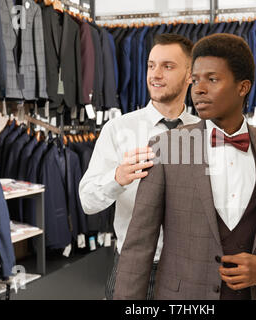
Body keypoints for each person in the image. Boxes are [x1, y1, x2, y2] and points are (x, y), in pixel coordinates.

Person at [113, 33, 256, 300]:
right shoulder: (166, 147)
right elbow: (140, 243)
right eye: (195, 80)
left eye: (212, 79)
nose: (198, 89)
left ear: (243, 87)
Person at [79, 33, 200, 300]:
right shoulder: (118, 129)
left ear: (190, 75)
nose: (155, 74)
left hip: (191, 270)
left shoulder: (205, 134)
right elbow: (87, 201)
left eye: (167, 66)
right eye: (151, 65)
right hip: (133, 268)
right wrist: (117, 177)